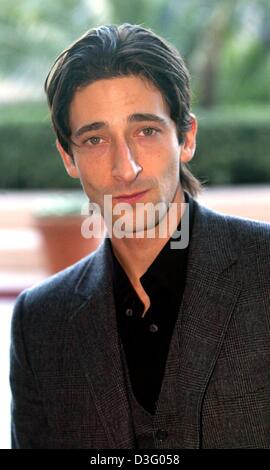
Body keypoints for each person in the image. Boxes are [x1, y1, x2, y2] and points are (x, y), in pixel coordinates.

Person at [10, 23, 270, 450]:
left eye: (145, 131)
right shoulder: (39, 323)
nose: (124, 167)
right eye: (95, 139)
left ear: (185, 138)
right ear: (67, 157)